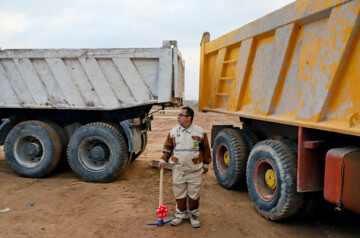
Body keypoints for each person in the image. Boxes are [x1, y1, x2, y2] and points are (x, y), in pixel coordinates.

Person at [158, 107, 211, 228]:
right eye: (178, 115)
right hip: (178, 169)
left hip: (195, 170)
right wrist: (163, 159)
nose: (178, 117)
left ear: (189, 118)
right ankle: (180, 215)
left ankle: (193, 216)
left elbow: (206, 149)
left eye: (181, 115)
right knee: (179, 193)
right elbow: (167, 148)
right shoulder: (173, 132)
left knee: (194, 194)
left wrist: (206, 164)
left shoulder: (200, 132)